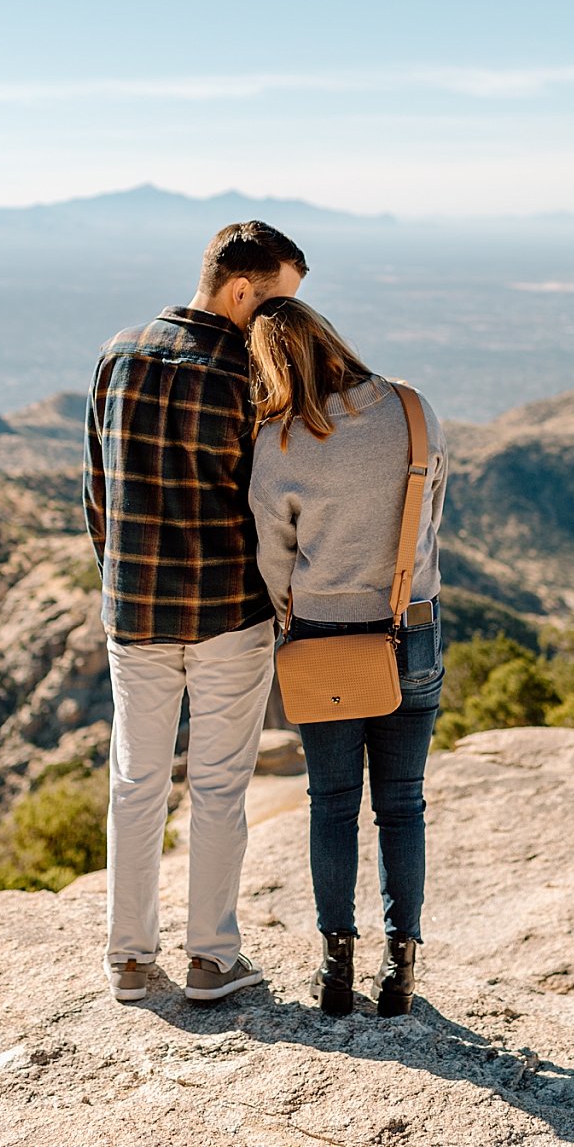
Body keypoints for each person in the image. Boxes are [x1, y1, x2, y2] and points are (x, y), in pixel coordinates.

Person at [86, 220, 308, 1004]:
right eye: (280, 303)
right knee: (219, 789)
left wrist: (118, 582)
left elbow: (97, 494)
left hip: (136, 608)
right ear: (242, 290)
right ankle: (212, 959)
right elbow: (276, 502)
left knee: (134, 782)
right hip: (229, 613)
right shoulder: (250, 377)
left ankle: (128, 959)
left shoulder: (118, 355)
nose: (287, 323)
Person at [245, 298, 449, 1017]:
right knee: (403, 804)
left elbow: (274, 561)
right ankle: (402, 968)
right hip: (410, 630)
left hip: (325, 640)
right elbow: (429, 523)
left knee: (332, 806)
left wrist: (293, 618)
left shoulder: (280, 444)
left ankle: (335, 968)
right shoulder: (414, 411)